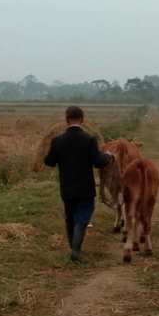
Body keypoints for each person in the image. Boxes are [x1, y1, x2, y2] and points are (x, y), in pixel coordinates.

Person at [43, 106, 113, 261]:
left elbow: (49, 162)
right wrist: (108, 156)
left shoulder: (57, 140)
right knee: (82, 217)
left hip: (66, 188)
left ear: (66, 119)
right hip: (85, 188)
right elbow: (98, 162)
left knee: (70, 217)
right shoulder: (89, 139)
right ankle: (76, 250)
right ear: (82, 120)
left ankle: (73, 248)